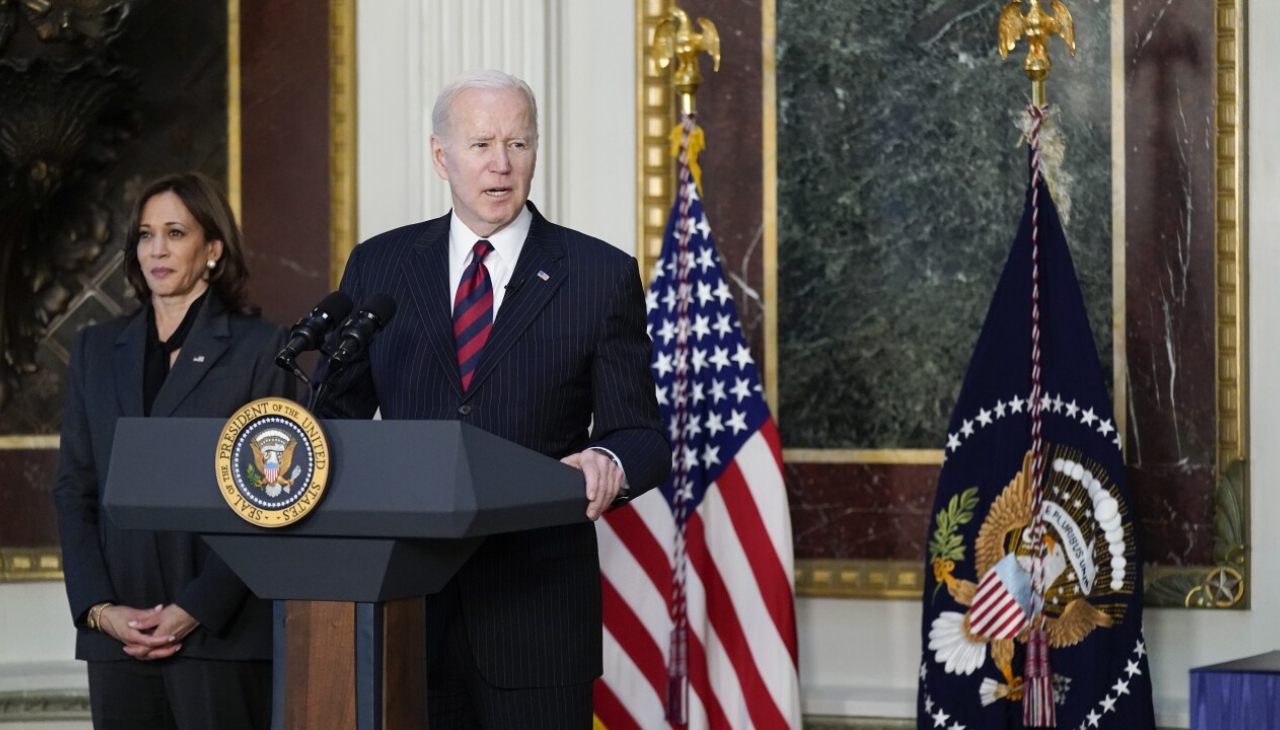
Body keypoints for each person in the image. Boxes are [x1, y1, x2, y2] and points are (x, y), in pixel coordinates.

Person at [318, 70, 670, 727]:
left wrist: (608, 462)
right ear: (440, 155)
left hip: (536, 617)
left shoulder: (599, 275)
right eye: (481, 144)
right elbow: (332, 421)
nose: (501, 165)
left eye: (519, 143)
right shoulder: (380, 267)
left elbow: (643, 437)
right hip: (405, 606)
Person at [52, 172, 291, 730]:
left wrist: (197, 609)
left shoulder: (260, 349)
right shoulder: (94, 349)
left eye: (176, 233)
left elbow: (275, 497)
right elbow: (74, 488)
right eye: (145, 234)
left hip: (219, 637)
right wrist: (100, 611)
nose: (156, 249)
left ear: (212, 249)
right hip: (118, 641)